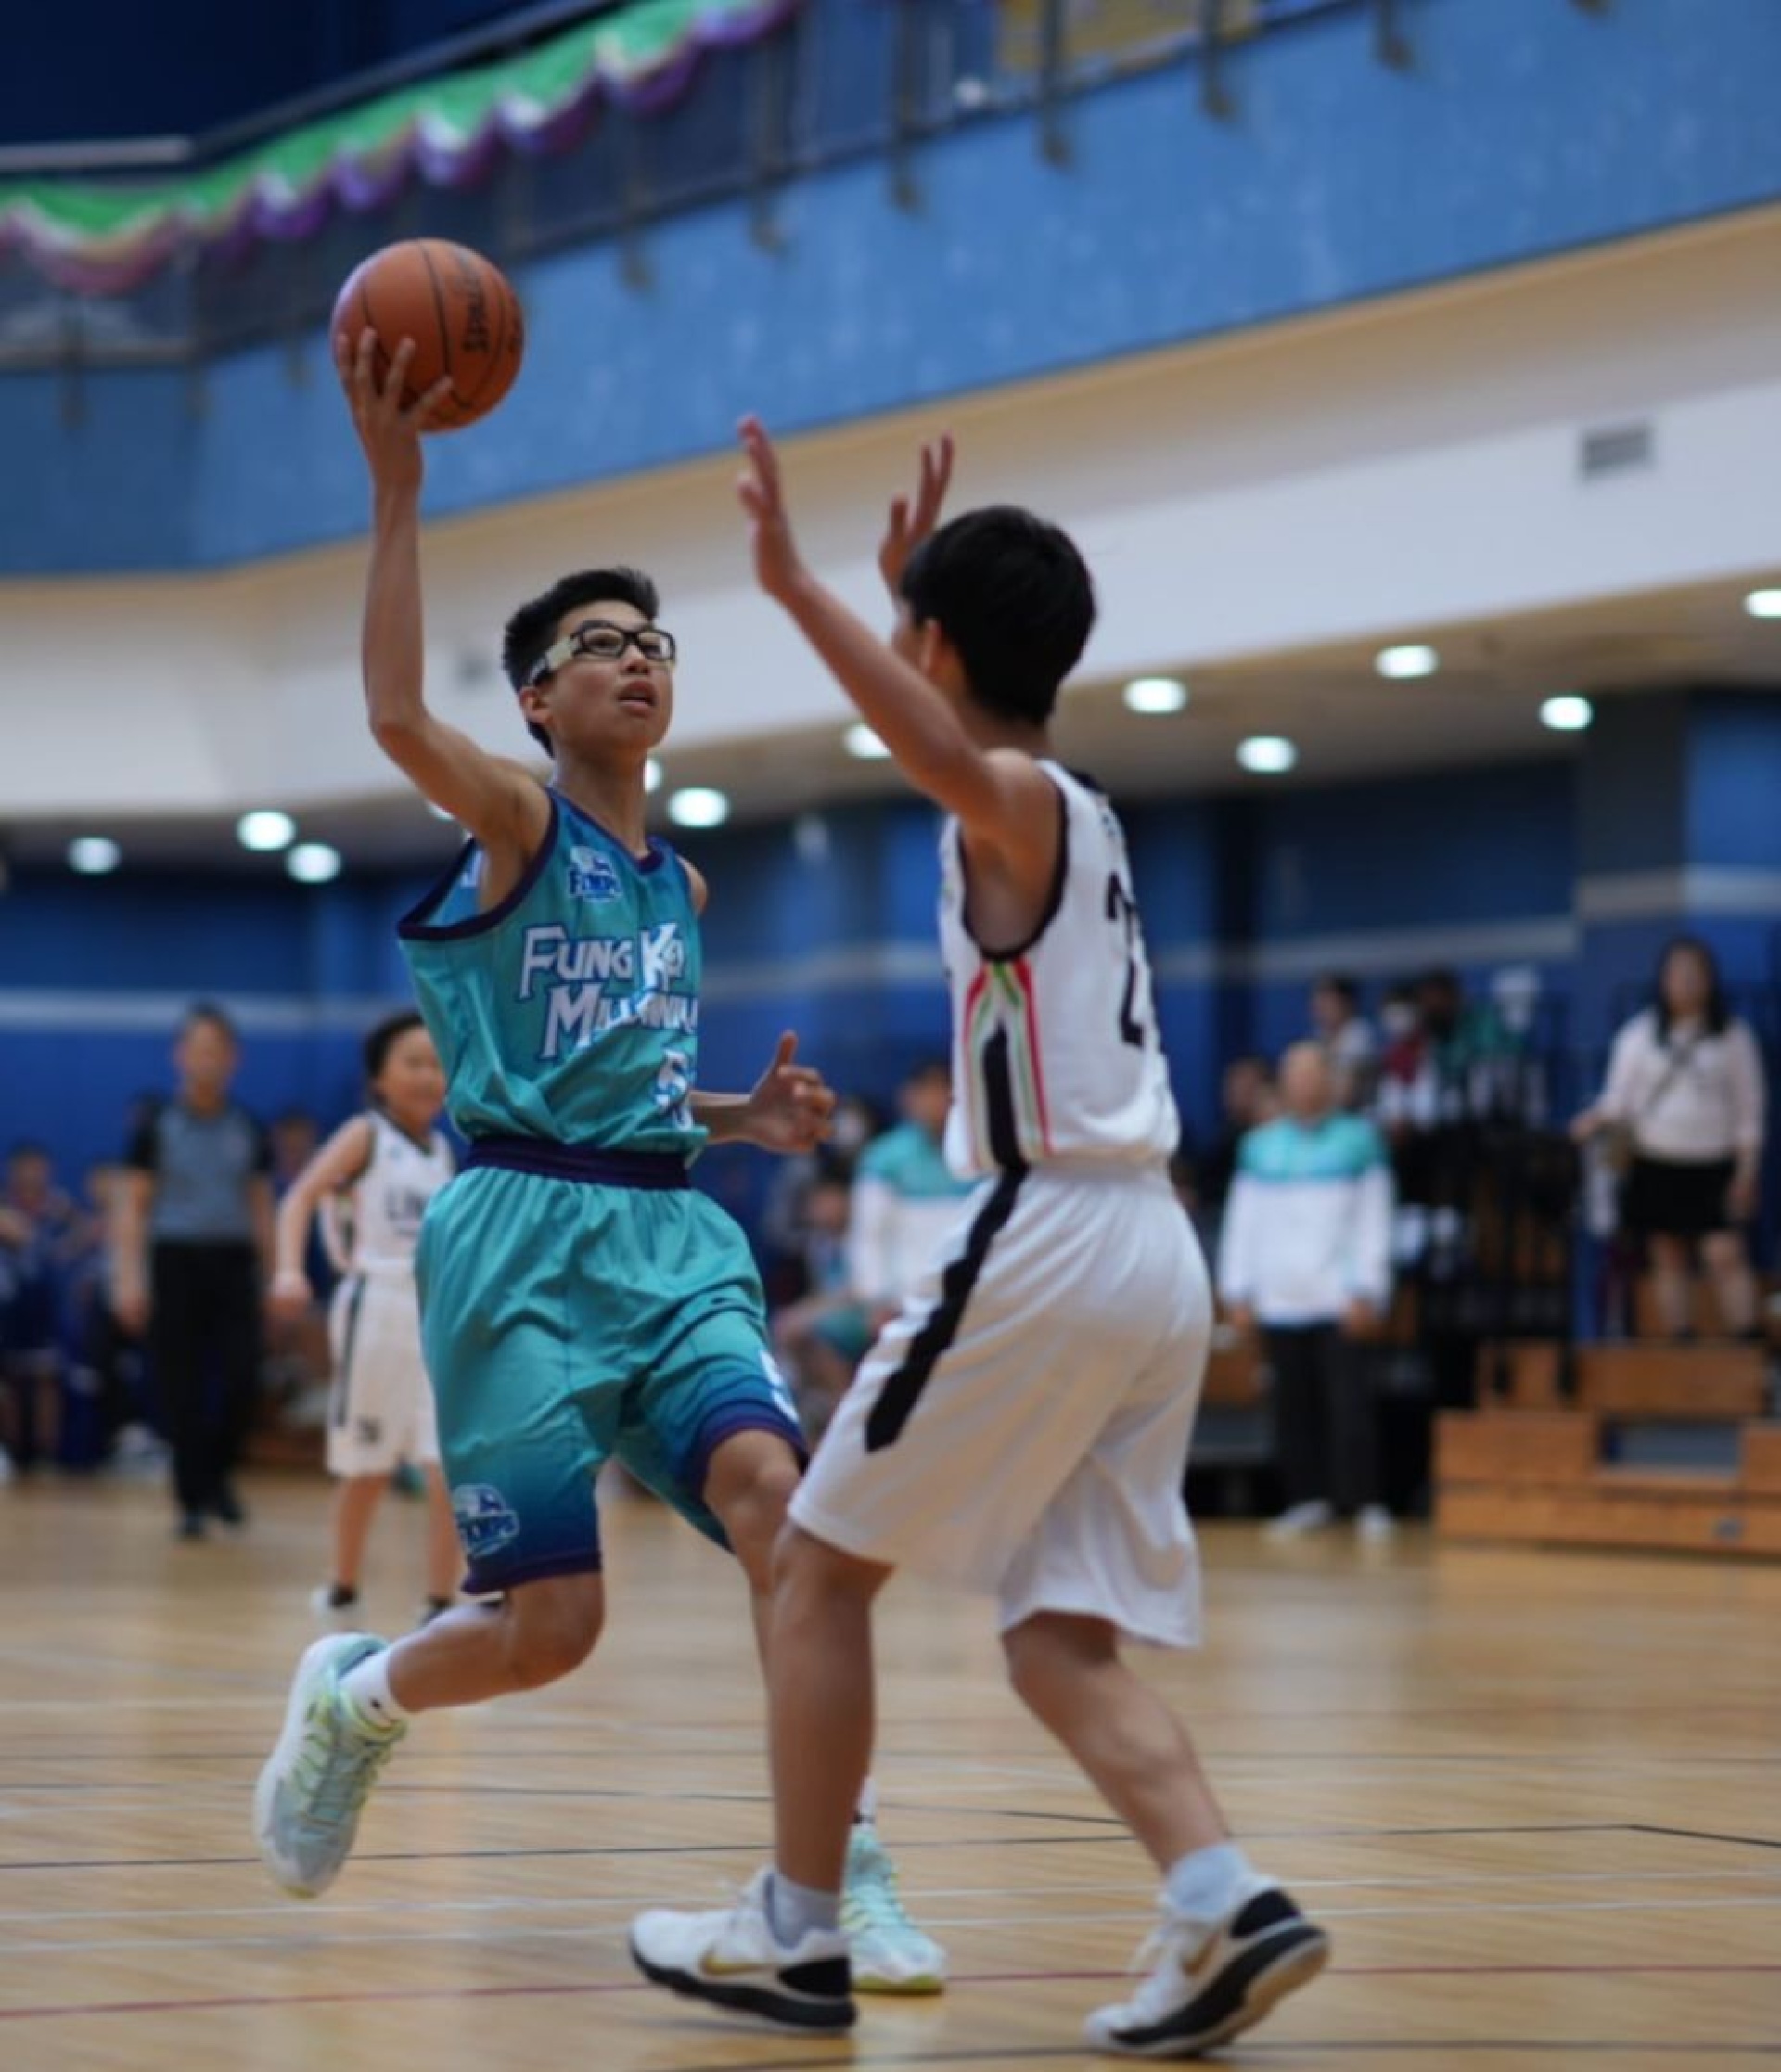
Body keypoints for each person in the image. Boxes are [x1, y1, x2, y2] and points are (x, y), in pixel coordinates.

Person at [251, 331, 943, 1997]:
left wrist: (739, 1118)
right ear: (540, 700)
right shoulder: (517, 823)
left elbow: (621, 1080)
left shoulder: (678, 889)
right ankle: (356, 1694)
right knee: (552, 1627)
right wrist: (397, 489)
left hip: (671, 1237)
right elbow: (392, 711)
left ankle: (838, 1871)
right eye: (597, 646)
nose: (635, 661)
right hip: (515, 1245)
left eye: (651, 642)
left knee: (790, 1514)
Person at [629, 421, 1328, 2053]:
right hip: (1154, 1248)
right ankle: (1222, 1892)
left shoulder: (1008, 800)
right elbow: (951, 727)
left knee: (816, 1565)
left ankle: (797, 1928)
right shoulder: (1085, 809)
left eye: (915, 643)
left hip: (1050, 1226)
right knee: (1054, 1635)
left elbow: (944, 754)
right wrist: (907, 608)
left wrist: (795, 586)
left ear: (938, 653)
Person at [268, 1010, 460, 1626]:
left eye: (436, 1064)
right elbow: (299, 1198)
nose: (427, 1075)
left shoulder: (443, 1152)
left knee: (447, 1465)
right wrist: (288, 1270)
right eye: (413, 1062)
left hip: (436, 1313)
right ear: (379, 1078)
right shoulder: (364, 1135)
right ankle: (343, 1588)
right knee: (367, 1466)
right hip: (375, 1306)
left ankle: (440, 1602)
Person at [1215, 1042, 1396, 1541]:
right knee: (1292, 1404)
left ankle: (1364, 1500)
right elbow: (1243, 1223)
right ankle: (1305, 1498)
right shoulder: (1259, 1146)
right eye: (1295, 1075)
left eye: (1314, 1074)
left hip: (1339, 1295)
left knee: (1350, 1403)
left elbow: (1374, 1221)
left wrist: (1368, 1287)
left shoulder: (1360, 1141)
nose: (1305, 1084)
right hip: (1280, 1296)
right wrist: (1237, 1291)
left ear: (1331, 1081)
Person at [112, 1005, 275, 1537]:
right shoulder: (155, 1126)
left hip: (233, 1261)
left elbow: (261, 1206)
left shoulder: (247, 1126)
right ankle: (190, 1500)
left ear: (234, 1058)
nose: (208, 1059)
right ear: (180, 1056)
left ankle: (217, 1475)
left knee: (242, 1377)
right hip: (174, 1259)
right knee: (179, 1384)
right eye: (198, 1048)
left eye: (217, 1049)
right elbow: (133, 1208)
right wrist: (128, 1279)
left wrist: (277, 1274)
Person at [1571, 936, 1766, 1338]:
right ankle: (1681, 1338)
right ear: (1663, 980)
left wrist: (1747, 1170)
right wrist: (1594, 1119)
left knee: (1724, 1253)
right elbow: (1618, 1100)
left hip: (1714, 1160)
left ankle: (1751, 1343)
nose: (1687, 982)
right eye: (1678, 974)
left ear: (1710, 980)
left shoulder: (1733, 1037)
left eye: (1696, 974)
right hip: (1657, 1159)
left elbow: (1750, 1111)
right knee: (1667, 1254)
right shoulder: (1638, 1035)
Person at [1309, 973, 1377, 1110]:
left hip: (1359, 1114)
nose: (1320, 1010)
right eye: (1318, 1004)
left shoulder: (1359, 1035)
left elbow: (1345, 1094)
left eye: (1327, 1003)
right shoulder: (1319, 1036)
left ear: (1346, 1003)